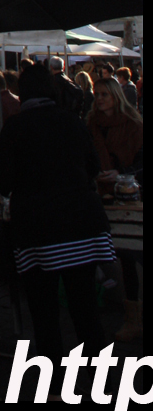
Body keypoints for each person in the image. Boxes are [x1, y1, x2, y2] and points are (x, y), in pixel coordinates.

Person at [0, 64, 113, 394]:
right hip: (81, 225)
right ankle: (101, 380)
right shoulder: (72, 121)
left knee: (44, 313)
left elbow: (3, 182)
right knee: (85, 309)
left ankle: (54, 382)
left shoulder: (15, 128)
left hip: (39, 231)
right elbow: (93, 166)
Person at [87, 76, 144, 341]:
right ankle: (132, 317)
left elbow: (142, 161)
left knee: (133, 252)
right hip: (102, 195)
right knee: (122, 255)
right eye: (96, 94)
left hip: (131, 195)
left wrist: (121, 173)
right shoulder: (91, 124)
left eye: (104, 94)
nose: (99, 99)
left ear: (115, 96)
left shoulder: (133, 124)